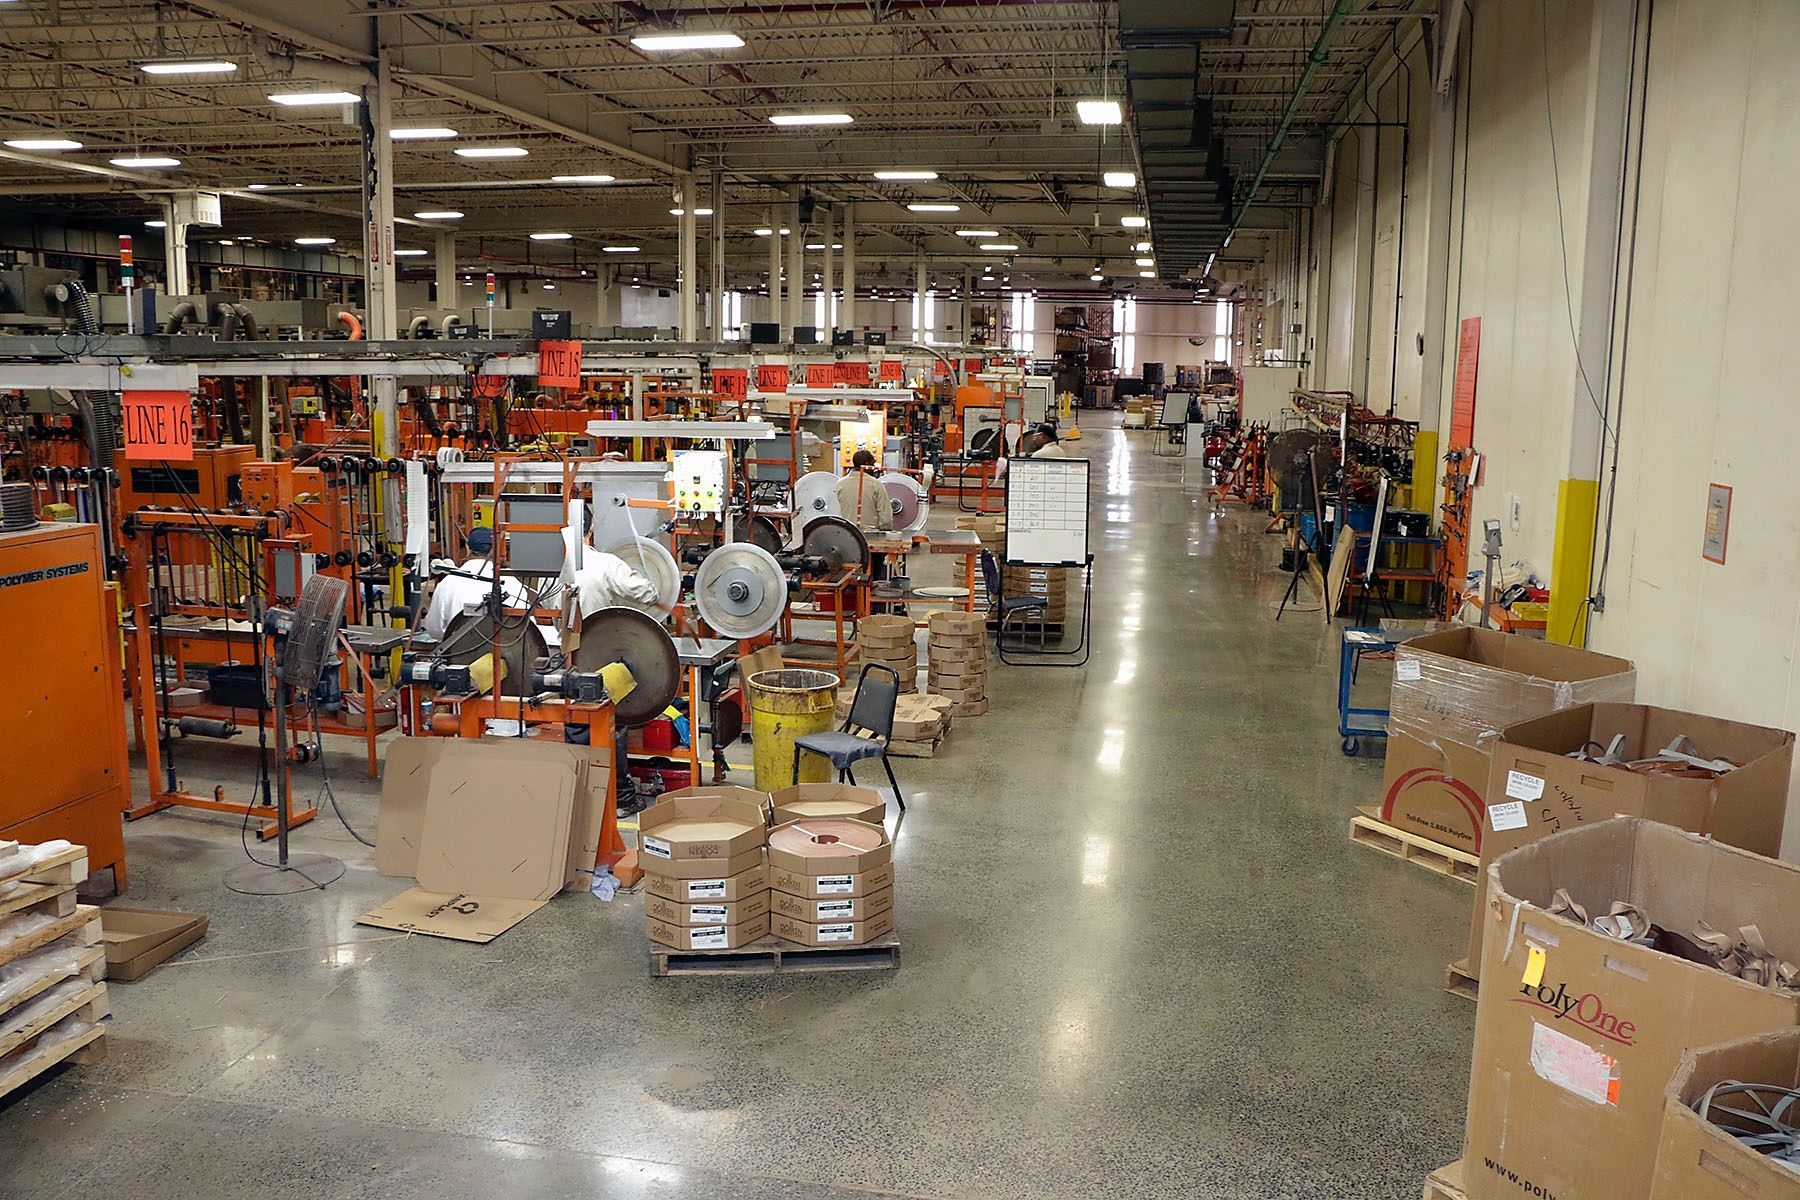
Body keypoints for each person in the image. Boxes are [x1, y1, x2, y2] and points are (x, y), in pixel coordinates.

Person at [420, 526, 529, 639]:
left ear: (468, 548)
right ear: (496, 550)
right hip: (505, 653)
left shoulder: (448, 583)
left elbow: (434, 629)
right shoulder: (513, 583)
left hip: (458, 653)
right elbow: (527, 628)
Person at [835, 448, 894, 532]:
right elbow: (886, 517)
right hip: (871, 533)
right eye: (872, 464)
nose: (873, 467)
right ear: (866, 464)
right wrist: (886, 531)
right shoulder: (876, 484)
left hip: (847, 533)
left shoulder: (840, 484)